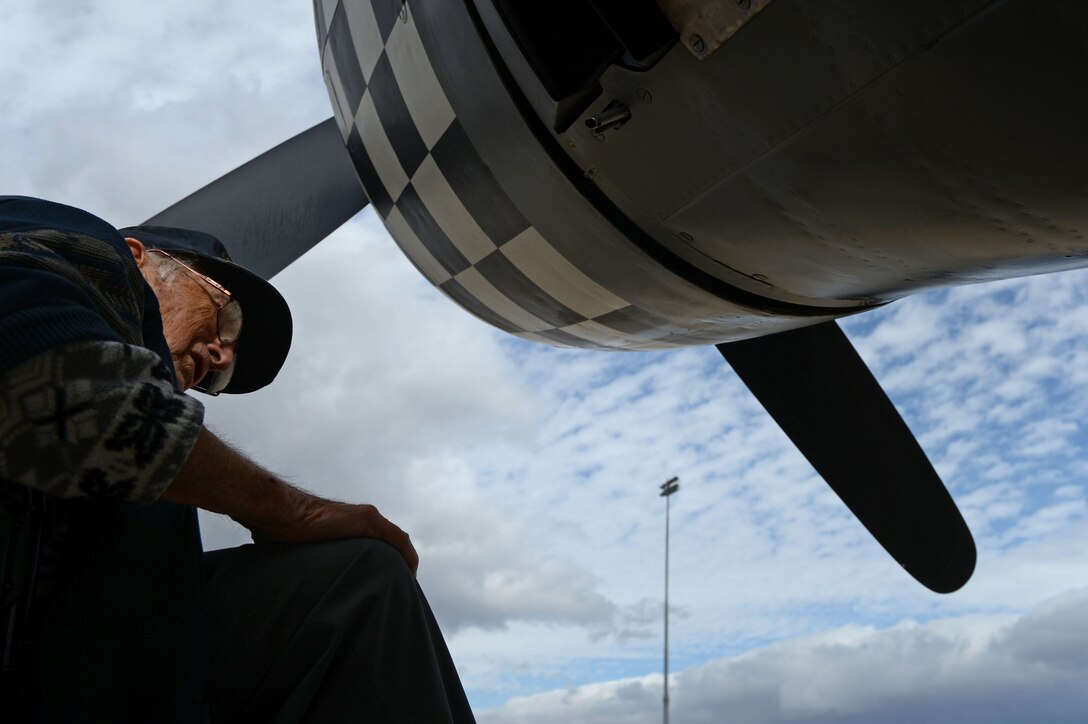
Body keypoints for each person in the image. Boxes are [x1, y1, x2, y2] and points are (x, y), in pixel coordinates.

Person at [0, 196, 475, 722]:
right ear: (138, 257)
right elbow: (51, 382)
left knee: (354, 585)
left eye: (219, 375)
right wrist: (292, 511)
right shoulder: (84, 245)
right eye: (224, 313)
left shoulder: (149, 492)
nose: (221, 357)